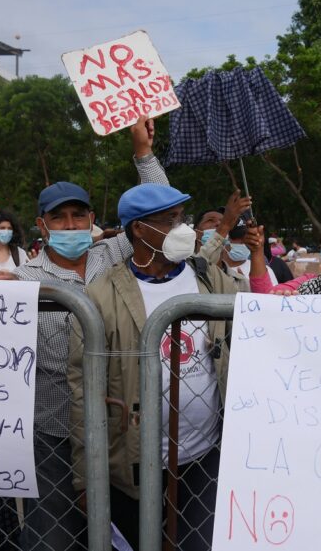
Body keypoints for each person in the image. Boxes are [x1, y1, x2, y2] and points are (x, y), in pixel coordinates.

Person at [0, 116, 170, 551]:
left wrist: (143, 152)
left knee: (134, 533)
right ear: (42, 224)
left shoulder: (115, 252)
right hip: (53, 432)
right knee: (54, 536)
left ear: (92, 217)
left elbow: (159, 208)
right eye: (59, 217)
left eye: (78, 214)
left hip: (121, 428)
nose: (70, 225)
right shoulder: (26, 277)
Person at [68, 183, 248, 551]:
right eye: (169, 220)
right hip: (135, 465)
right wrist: (85, 478)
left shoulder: (206, 277)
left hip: (204, 454)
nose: (182, 229)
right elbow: (81, 390)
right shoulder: (101, 295)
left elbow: (254, 315)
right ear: (139, 229)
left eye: (180, 218)